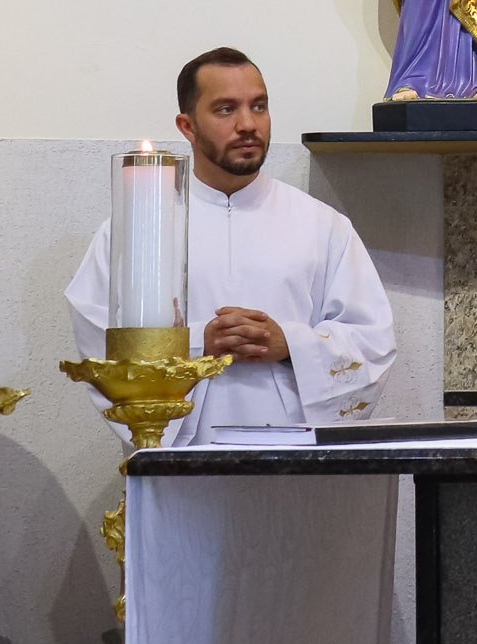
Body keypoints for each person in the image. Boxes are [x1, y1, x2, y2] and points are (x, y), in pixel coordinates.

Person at [67, 49, 396, 445]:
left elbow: (372, 341)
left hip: (294, 454)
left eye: (259, 106)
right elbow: (99, 337)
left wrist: (290, 344)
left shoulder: (322, 225)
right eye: (226, 109)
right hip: (182, 454)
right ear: (188, 126)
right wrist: (197, 344)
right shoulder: (138, 230)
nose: (248, 124)